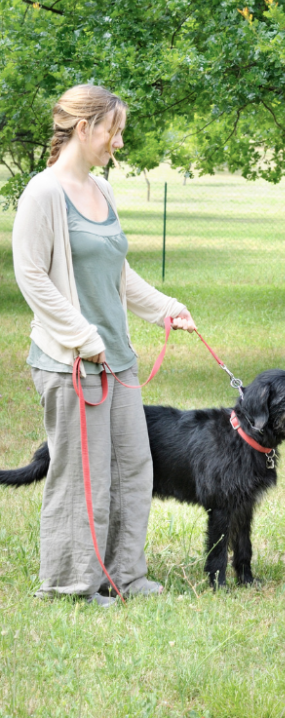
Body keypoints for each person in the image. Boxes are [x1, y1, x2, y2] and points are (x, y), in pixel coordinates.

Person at [12, 85, 197, 606]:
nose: (118, 141)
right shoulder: (44, 193)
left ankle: (125, 576)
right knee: (82, 477)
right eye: (113, 130)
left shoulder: (102, 190)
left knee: (134, 468)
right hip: (68, 361)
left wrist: (164, 308)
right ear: (83, 127)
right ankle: (72, 582)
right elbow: (31, 277)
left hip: (116, 359)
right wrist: (82, 337)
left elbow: (118, 271)